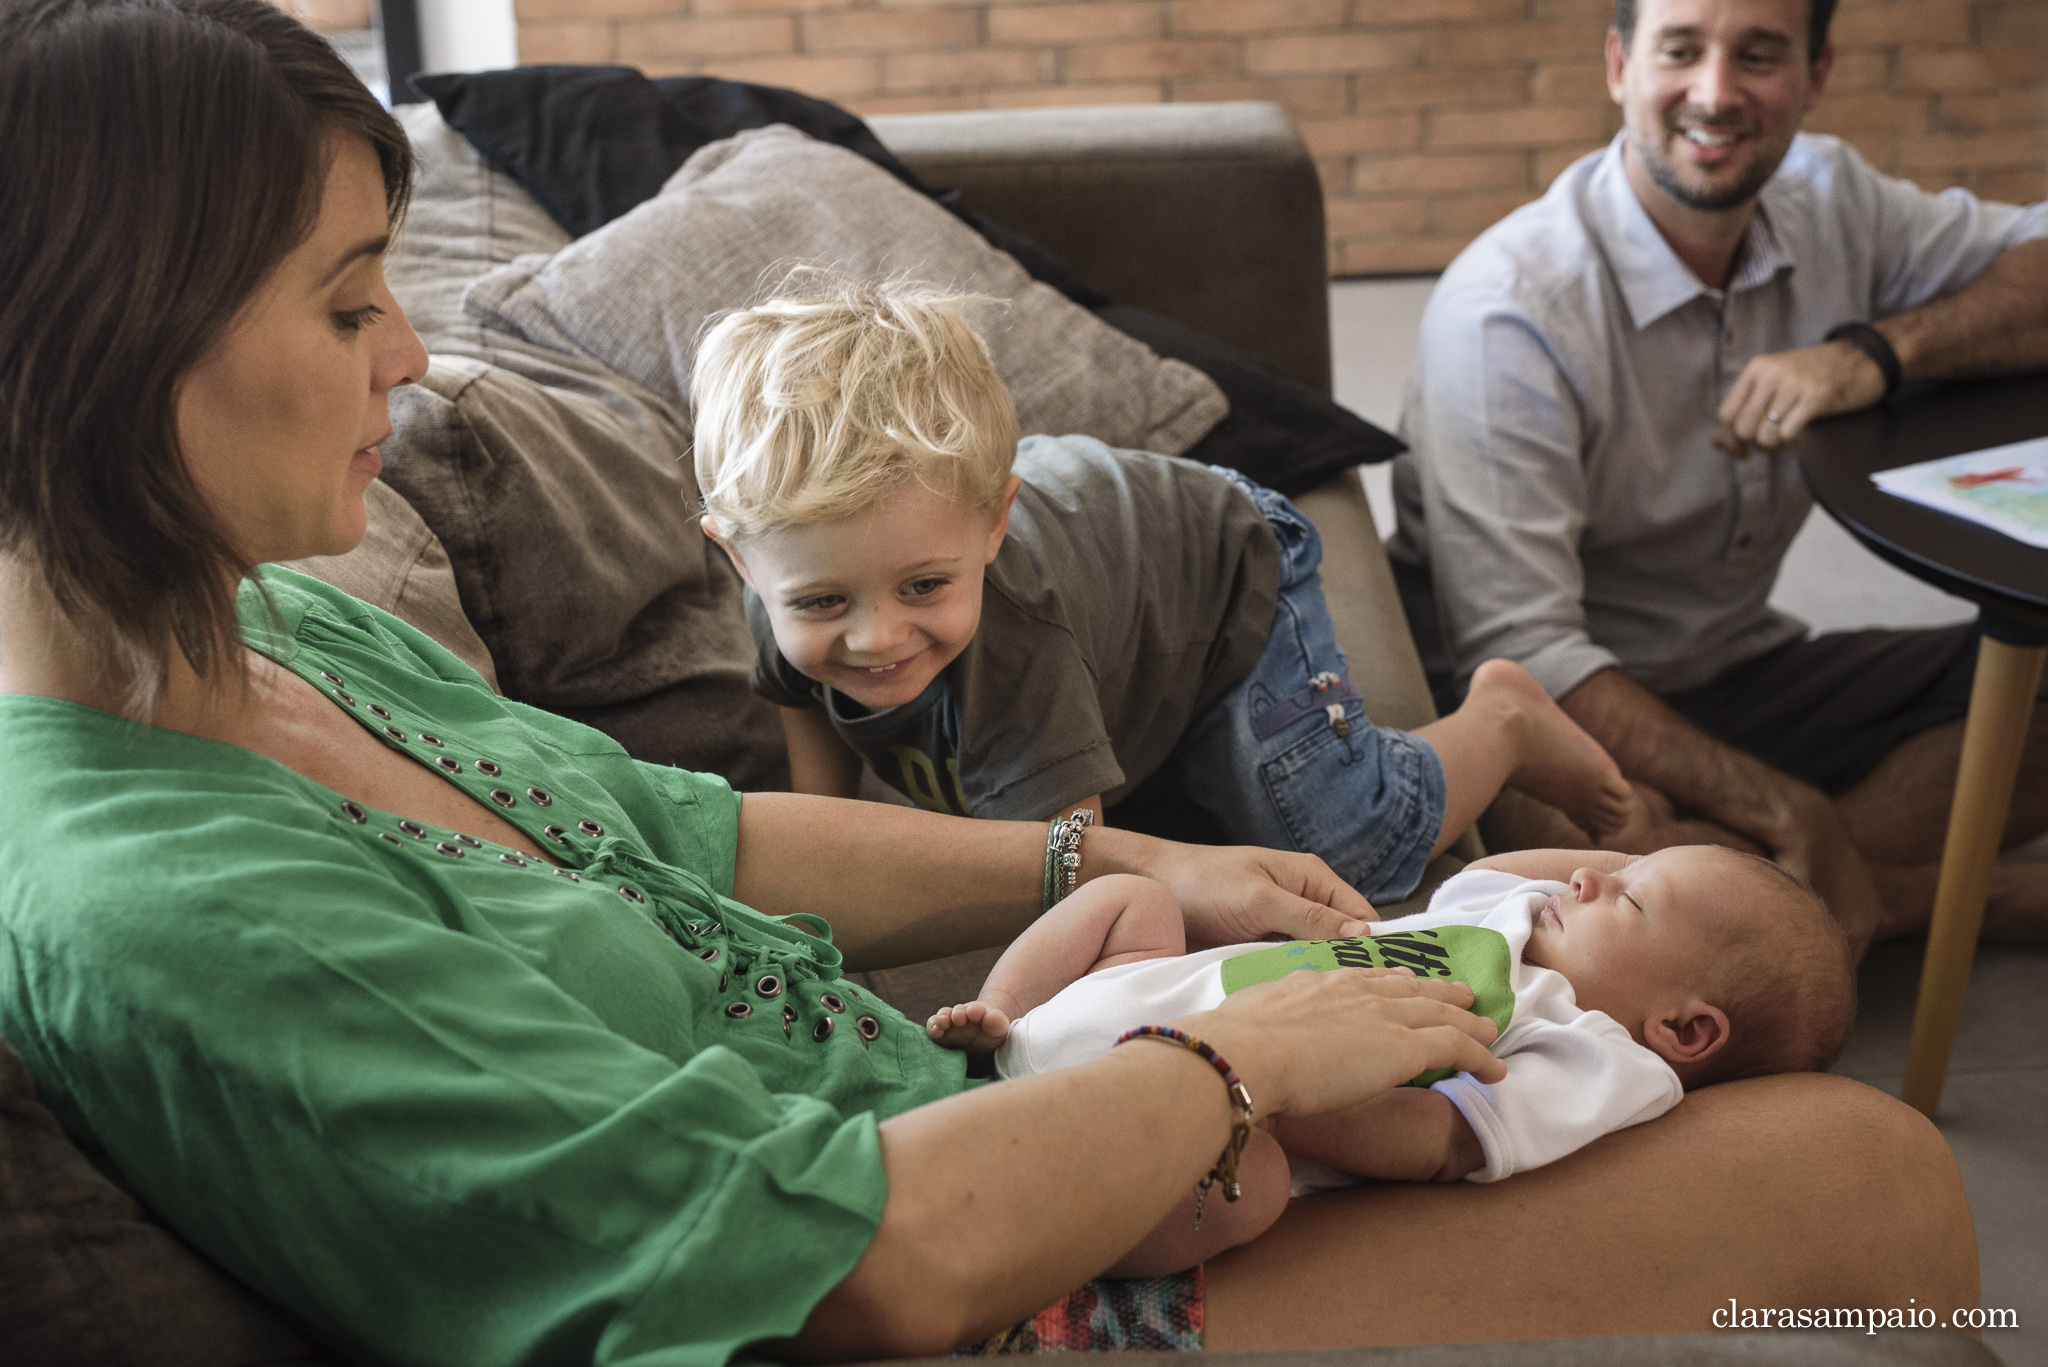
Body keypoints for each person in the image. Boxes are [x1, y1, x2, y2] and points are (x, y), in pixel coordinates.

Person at [0, 1, 1982, 1361]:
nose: (412, 360)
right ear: (105, 342)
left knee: (1778, 1114)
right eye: (351, 303)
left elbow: (692, 825)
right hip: (932, 1278)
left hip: (959, 1105)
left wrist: (1109, 857)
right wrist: (1241, 1059)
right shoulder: (164, 893)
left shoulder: (272, 621)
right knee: (1874, 1184)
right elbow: (862, 1266)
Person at [1387, 0, 2048, 953]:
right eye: (1682, 51)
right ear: (1620, 65)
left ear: (1816, 76)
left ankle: (1782, 902)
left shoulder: (1837, 203)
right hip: (1542, 713)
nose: (1716, 92)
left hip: (1735, 665)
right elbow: (1528, 653)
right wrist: (1788, 808)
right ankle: (1913, 899)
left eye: (1760, 54)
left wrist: (1876, 352)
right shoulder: (1508, 311)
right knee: (1559, 851)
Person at [694, 276, 1632, 908]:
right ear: (742, 560)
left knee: (1349, 846)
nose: (876, 636)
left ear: (992, 526)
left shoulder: (1020, 640)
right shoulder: (785, 579)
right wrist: (815, 882)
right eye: (822, 605)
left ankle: (1504, 716)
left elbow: (1080, 878)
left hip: (1223, 573)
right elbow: (814, 759)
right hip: (1119, 591)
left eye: (925, 585)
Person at [928, 846, 1854, 1274]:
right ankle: (1001, 1017)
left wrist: (1280, 1092)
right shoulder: (1523, 917)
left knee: (1255, 1183)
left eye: (1634, 898)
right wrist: (1657, 883)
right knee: (1132, 897)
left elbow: (1448, 1140)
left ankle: (1076, 1245)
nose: (1591, 874)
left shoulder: (1600, 1050)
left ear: (1685, 1032)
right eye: (1625, 861)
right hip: (1114, 1005)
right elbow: (1509, 868)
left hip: (1192, 1132)